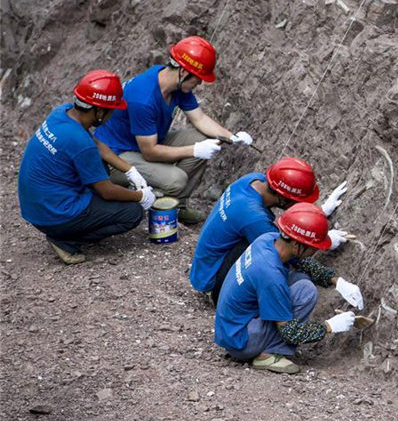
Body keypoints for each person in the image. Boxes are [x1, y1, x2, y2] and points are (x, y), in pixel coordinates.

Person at [94, 35, 253, 224]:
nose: (200, 83)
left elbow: (199, 118)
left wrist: (232, 136)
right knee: (177, 180)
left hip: (141, 142)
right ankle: (159, 207)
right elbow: (150, 152)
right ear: (184, 72)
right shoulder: (143, 98)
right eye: (198, 78)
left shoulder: (174, 85)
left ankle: (177, 205)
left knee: (198, 136)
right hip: (116, 157)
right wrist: (195, 150)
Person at [18, 70, 156, 264]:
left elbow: (98, 146)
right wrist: (140, 196)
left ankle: (70, 227)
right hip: (54, 213)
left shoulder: (62, 113)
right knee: (132, 214)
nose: (112, 115)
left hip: (36, 207)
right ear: (99, 112)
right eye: (111, 110)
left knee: (102, 168)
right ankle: (65, 239)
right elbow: (107, 192)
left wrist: (129, 170)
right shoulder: (79, 142)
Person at [215, 203, 364, 374]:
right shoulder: (271, 275)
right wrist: (329, 326)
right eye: (313, 247)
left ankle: (265, 343)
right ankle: (267, 353)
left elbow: (303, 262)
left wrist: (338, 282)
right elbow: (290, 333)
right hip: (241, 341)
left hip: (230, 327)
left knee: (301, 280)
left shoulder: (269, 240)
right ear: (296, 245)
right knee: (305, 292)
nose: (315, 251)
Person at [189, 157, 349, 303]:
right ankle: (225, 298)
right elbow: (292, 251)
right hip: (213, 281)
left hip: (205, 268)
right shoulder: (253, 217)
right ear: (284, 198)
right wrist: (322, 243)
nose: (297, 205)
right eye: (298, 202)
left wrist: (319, 212)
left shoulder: (253, 180)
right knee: (276, 259)